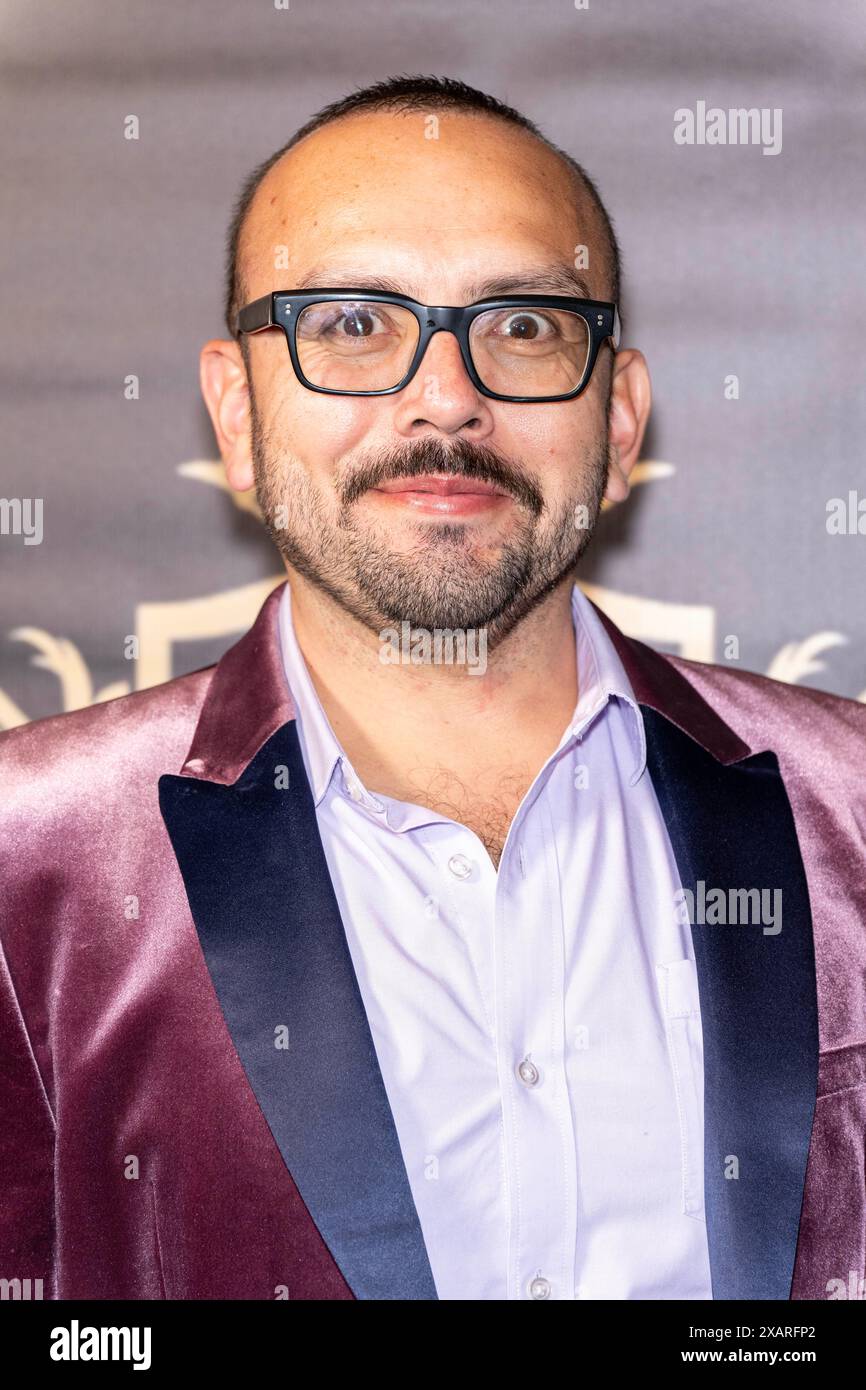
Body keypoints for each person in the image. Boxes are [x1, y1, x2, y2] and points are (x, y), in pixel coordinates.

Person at [1, 75, 864, 1303]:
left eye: (521, 325)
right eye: (351, 322)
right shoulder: (24, 860)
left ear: (616, 423)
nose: (445, 397)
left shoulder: (851, 811)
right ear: (237, 416)